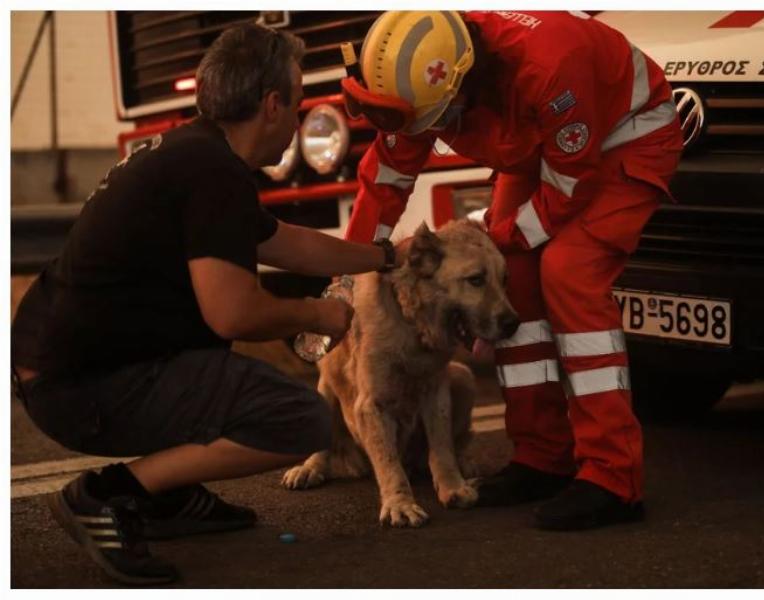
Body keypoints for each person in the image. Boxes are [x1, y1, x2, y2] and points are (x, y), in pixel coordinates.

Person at [10, 24, 397, 585]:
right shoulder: (213, 173)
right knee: (299, 419)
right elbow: (233, 314)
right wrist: (316, 315)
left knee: (205, 355)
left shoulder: (193, 151)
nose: (296, 120)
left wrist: (384, 256)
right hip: (77, 388)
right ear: (270, 105)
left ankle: (170, 499)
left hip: (59, 370)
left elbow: (286, 241)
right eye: (296, 104)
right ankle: (104, 496)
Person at [340, 10, 683, 531]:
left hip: (622, 141)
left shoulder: (551, 68)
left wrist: (493, 242)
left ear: (462, 82)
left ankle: (613, 477)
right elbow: (386, 176)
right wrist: (350, 275)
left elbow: (570, 186)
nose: (429, 133)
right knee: (514, 280)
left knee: (569, 274)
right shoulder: (422, 78)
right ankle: (542, 456)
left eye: (435, 120)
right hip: (544, 150)